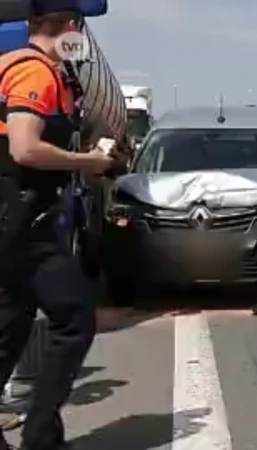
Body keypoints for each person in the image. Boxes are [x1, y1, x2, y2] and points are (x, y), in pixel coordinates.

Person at [0, 5, 115, 449]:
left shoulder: (13, 65)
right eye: (79, 31)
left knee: (12, 325)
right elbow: (25, 149)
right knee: (74, 320)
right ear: (70, 28)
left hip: (13, 218)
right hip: (24, 220)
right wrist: (90, 162)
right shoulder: (36, 74)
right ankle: (41, 437)